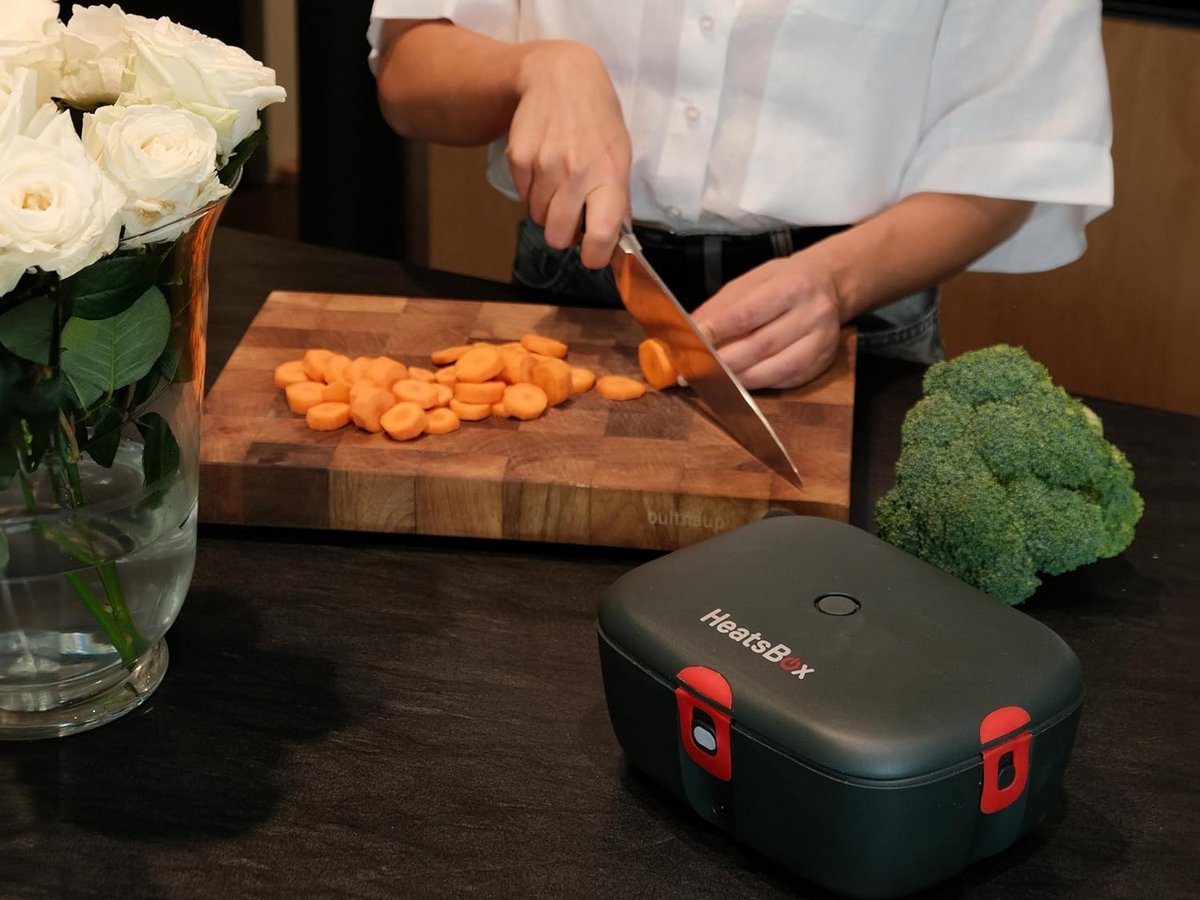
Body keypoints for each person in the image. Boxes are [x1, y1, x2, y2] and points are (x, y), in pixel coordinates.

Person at [367, 1, 1112, 390]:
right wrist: (536, 66)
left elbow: (1013, 153)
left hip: (853, 317)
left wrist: (835, 283)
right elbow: (408, 71)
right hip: (580, 277)